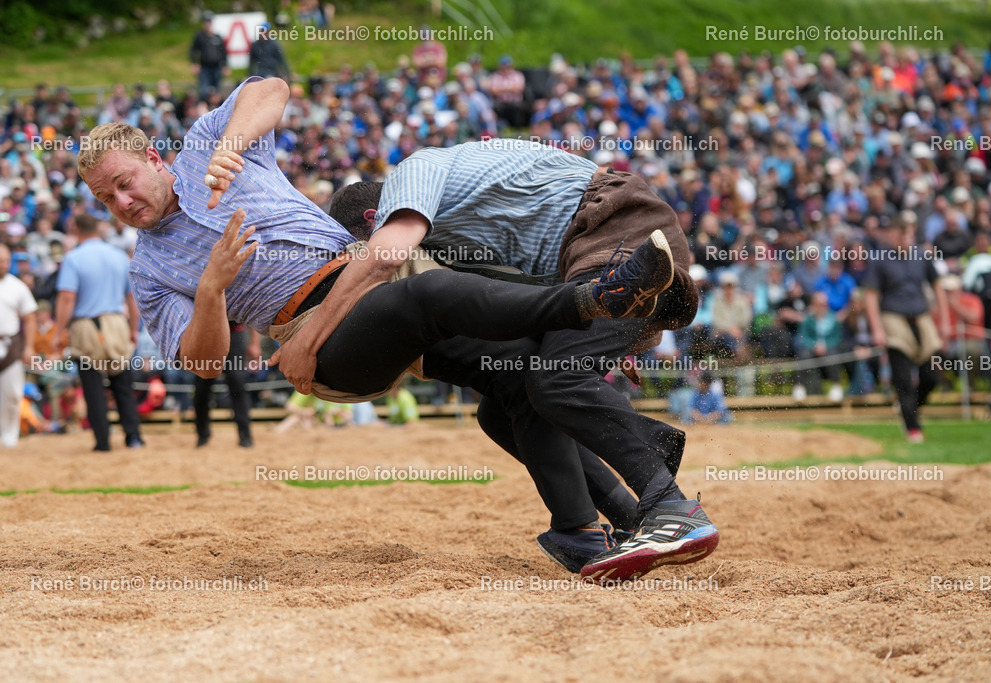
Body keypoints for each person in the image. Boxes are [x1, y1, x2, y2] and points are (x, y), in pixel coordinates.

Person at [76, 78, 683, 579]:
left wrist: (232, 143)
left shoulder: (211, 147)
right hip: (318, 337)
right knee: (431, 293)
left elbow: (270, 87)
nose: (123, 203)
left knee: (518, 374)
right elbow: (203, 363)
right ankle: (591, 301)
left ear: (154, 157)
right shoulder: (150, 270)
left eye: (124, 183)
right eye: (107, 199)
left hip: (364, 280)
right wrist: (211, 289)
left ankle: (592, 529)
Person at [329, 139, 718, 582]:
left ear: (372, 220)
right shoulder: (451, 235)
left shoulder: (409, 178)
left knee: (556, 379)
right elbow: (505, 299)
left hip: (620, 233)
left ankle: (671, 507)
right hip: (593, 254)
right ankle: (631, 519)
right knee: (504, 407)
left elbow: (384, 258)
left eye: (357, 248)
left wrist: (314, 337)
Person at [53, 214, 144, 451]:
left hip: (85, 324)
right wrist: (133, 328)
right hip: (116, 322)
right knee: (122, 384)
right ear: (97, 229)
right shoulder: (119, 256)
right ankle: (133, 436)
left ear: (76, 229)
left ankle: (102, 441)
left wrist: (58, 332)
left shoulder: (73, 258)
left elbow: (67, 297)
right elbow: (131, 297)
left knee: (93, 387)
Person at [864, 222, 949, 443]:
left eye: (908, 231)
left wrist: (945, 321)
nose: (905, 236)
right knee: (902, 379)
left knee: (931, 376)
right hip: (892, 318)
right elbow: (871, 295)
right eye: (901, 231)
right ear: (892, 234)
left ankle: (910, 410)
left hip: (921, 317)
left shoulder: (922, 256)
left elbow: (938, 285)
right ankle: (913, 427)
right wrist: (876, 329)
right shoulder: (880, 259)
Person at [194, 323, 257, 448]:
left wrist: (255, 343)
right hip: (206, 337)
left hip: (234, 334)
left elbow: (251, 308)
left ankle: (245, 436)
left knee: (238, 386)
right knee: (201, 389)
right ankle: (202, 436)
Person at [0, 243, 38, 448]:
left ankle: (9, 437)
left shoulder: (17, 286)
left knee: (13, 394)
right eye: (0, 261)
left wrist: (29, 347)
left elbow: (30, 318)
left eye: (6, 261)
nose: (3, 265)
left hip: (11, 343)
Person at [190, 12, 228, 99]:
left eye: (209, 22)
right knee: (204, 90)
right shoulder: (200, 36)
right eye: (206, 22)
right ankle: (204, 108)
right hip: (205, 68)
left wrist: (225, 65)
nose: (208, 24)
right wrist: (194, 63)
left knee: (217, 91)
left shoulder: (218, 37)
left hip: (217, 67)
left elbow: (223, 52)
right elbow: (193, 51)